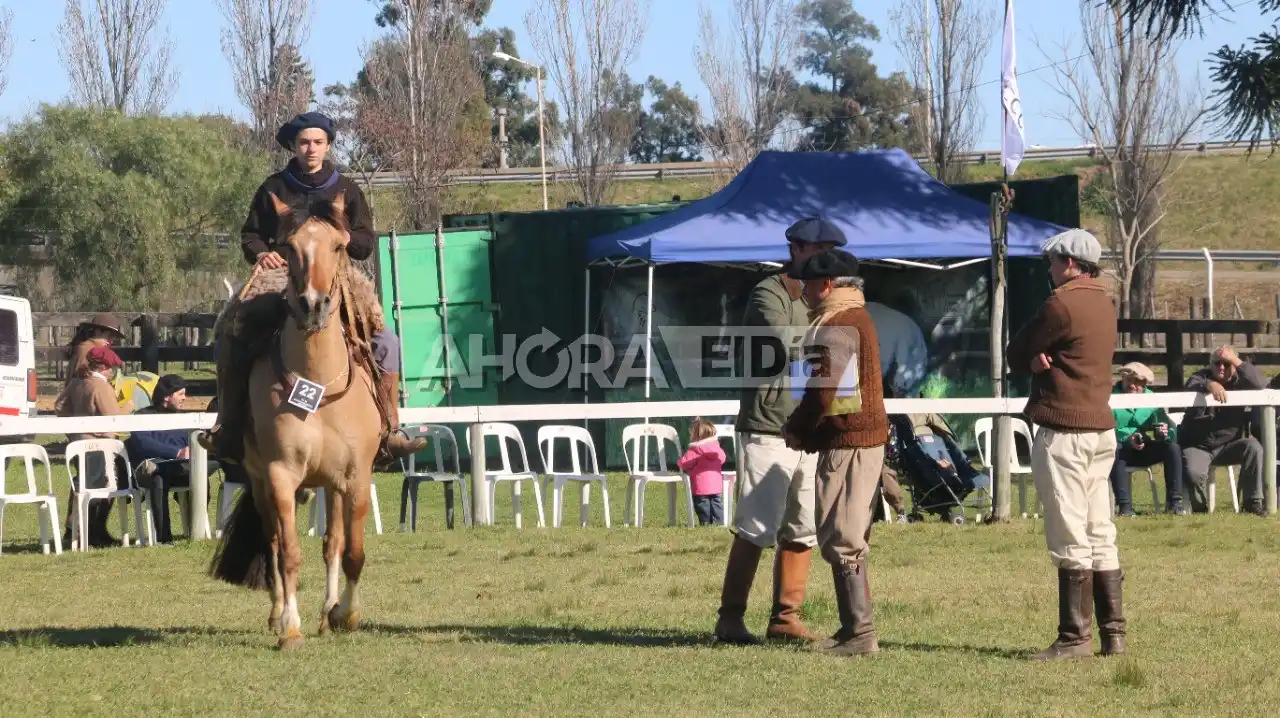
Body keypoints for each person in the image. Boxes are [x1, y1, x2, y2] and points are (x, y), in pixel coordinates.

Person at [199, 111, 425, 464]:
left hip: (339, 279)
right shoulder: (273, 187)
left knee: (386, 342)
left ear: (328, 145)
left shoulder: (346, 188)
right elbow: (251, 235)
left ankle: (389, 429)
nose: (311, 149)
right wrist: (262, 255)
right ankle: (228, 427)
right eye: (304, 142)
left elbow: (366, 239)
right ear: (293, 145)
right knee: (231, 331)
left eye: (318, 142)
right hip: (281, 276)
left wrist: (347, 237)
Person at [714, 217, 843, 646]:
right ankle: (730, 620)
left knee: (803, 528)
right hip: (769, 426)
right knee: (755, 528)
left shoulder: (828, 297)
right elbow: (786, 340)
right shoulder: (769, 292)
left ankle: (786, 619)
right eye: (817, 247)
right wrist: (833, 338)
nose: (824, 256)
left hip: (810, 429)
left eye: (830, 248)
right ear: (796, 249)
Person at [1006, 228, 1125, 660]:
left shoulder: (1060, 303)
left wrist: (1033, 362)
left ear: (1070, 263)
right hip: (1101, 428)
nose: (1050, 270)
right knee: (1100, 532)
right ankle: (1113, 634)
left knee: (1069, 534)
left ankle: (1074, 637)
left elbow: (1016, 351)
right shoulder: (1105, 303)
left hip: (1065, 430)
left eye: (1053, 262)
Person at [781, 248, 890, 657]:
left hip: (850, 443)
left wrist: (797, 429)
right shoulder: (854, 317)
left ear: (827, 285)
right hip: (854, 440)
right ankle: (853, 630)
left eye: (807, 283)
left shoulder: (839, 324)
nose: (803, 290)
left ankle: (859, 633)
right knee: (843, 532)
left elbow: (824, 391)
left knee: (842, 535)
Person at [125, 375, 219, 544]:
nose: (185, 398)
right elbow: (142, 443)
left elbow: (190, 440)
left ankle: (196, 529)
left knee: (201, 471)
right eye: (181, 394)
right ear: (167, 396)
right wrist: (176, 453)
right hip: (150, 469)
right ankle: (164, 538)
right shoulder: (142, 416)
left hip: (178, 468)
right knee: (158, 477)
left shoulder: (182, 418)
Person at [1180, 345, 1267, 516]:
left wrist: (1234, 359)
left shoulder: (1242, 382)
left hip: (1229, 444)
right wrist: (1210, 384)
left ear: (1234, 366)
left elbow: (1260, 384)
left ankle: (1252, 504)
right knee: (1193, 473)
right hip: (1199, 445)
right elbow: (1191, 383)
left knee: (1254, 447)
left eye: (1226, 364)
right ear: (1210, 364)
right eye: (1217, 363)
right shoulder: (1200, 376)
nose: (1221, 367)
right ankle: (1200, 510)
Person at [55, 345, 127, 548]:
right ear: (104, 366)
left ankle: (73, 532)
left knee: (80, 486)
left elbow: (60, 406)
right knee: (100, 487)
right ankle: (93, 532)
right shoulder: (100, 386)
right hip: (98, 445)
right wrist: (129, 405)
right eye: (111, 367)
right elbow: (115, 417)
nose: (112, 371)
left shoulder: (78, 382)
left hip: (79, 442)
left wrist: (74, 427)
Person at [1109, 362, 1185, 516]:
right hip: (1119, 449)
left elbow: (1168, 425)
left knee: (1173, 448)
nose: (1132, 385)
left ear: (1144, 384)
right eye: (1129, 380)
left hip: (1144, 446)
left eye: (1137, 382)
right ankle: (1125, 507)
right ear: (1122, 379)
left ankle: (1174, 504)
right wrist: (1126, 437)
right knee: (1115, 449)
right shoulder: (1110, 397)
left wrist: (1165, 432)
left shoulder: (1150, 398)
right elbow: (1104, 428)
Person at [677, 418, 727, 526]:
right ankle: (719, 523)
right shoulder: (717, 448)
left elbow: (684, 463)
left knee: (702, 505)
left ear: (696, 436)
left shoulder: (695, 450)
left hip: (700, 486)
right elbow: (723, 459)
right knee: (717, 504)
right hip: (716, 486)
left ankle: (705, 523)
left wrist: (680, 460)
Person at [64, 313, 124, 384]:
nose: (111, 340)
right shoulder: (86, 348)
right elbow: (78, 379)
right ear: (97, 331)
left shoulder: (99, 349)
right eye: (109, 335)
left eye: (114, 337)